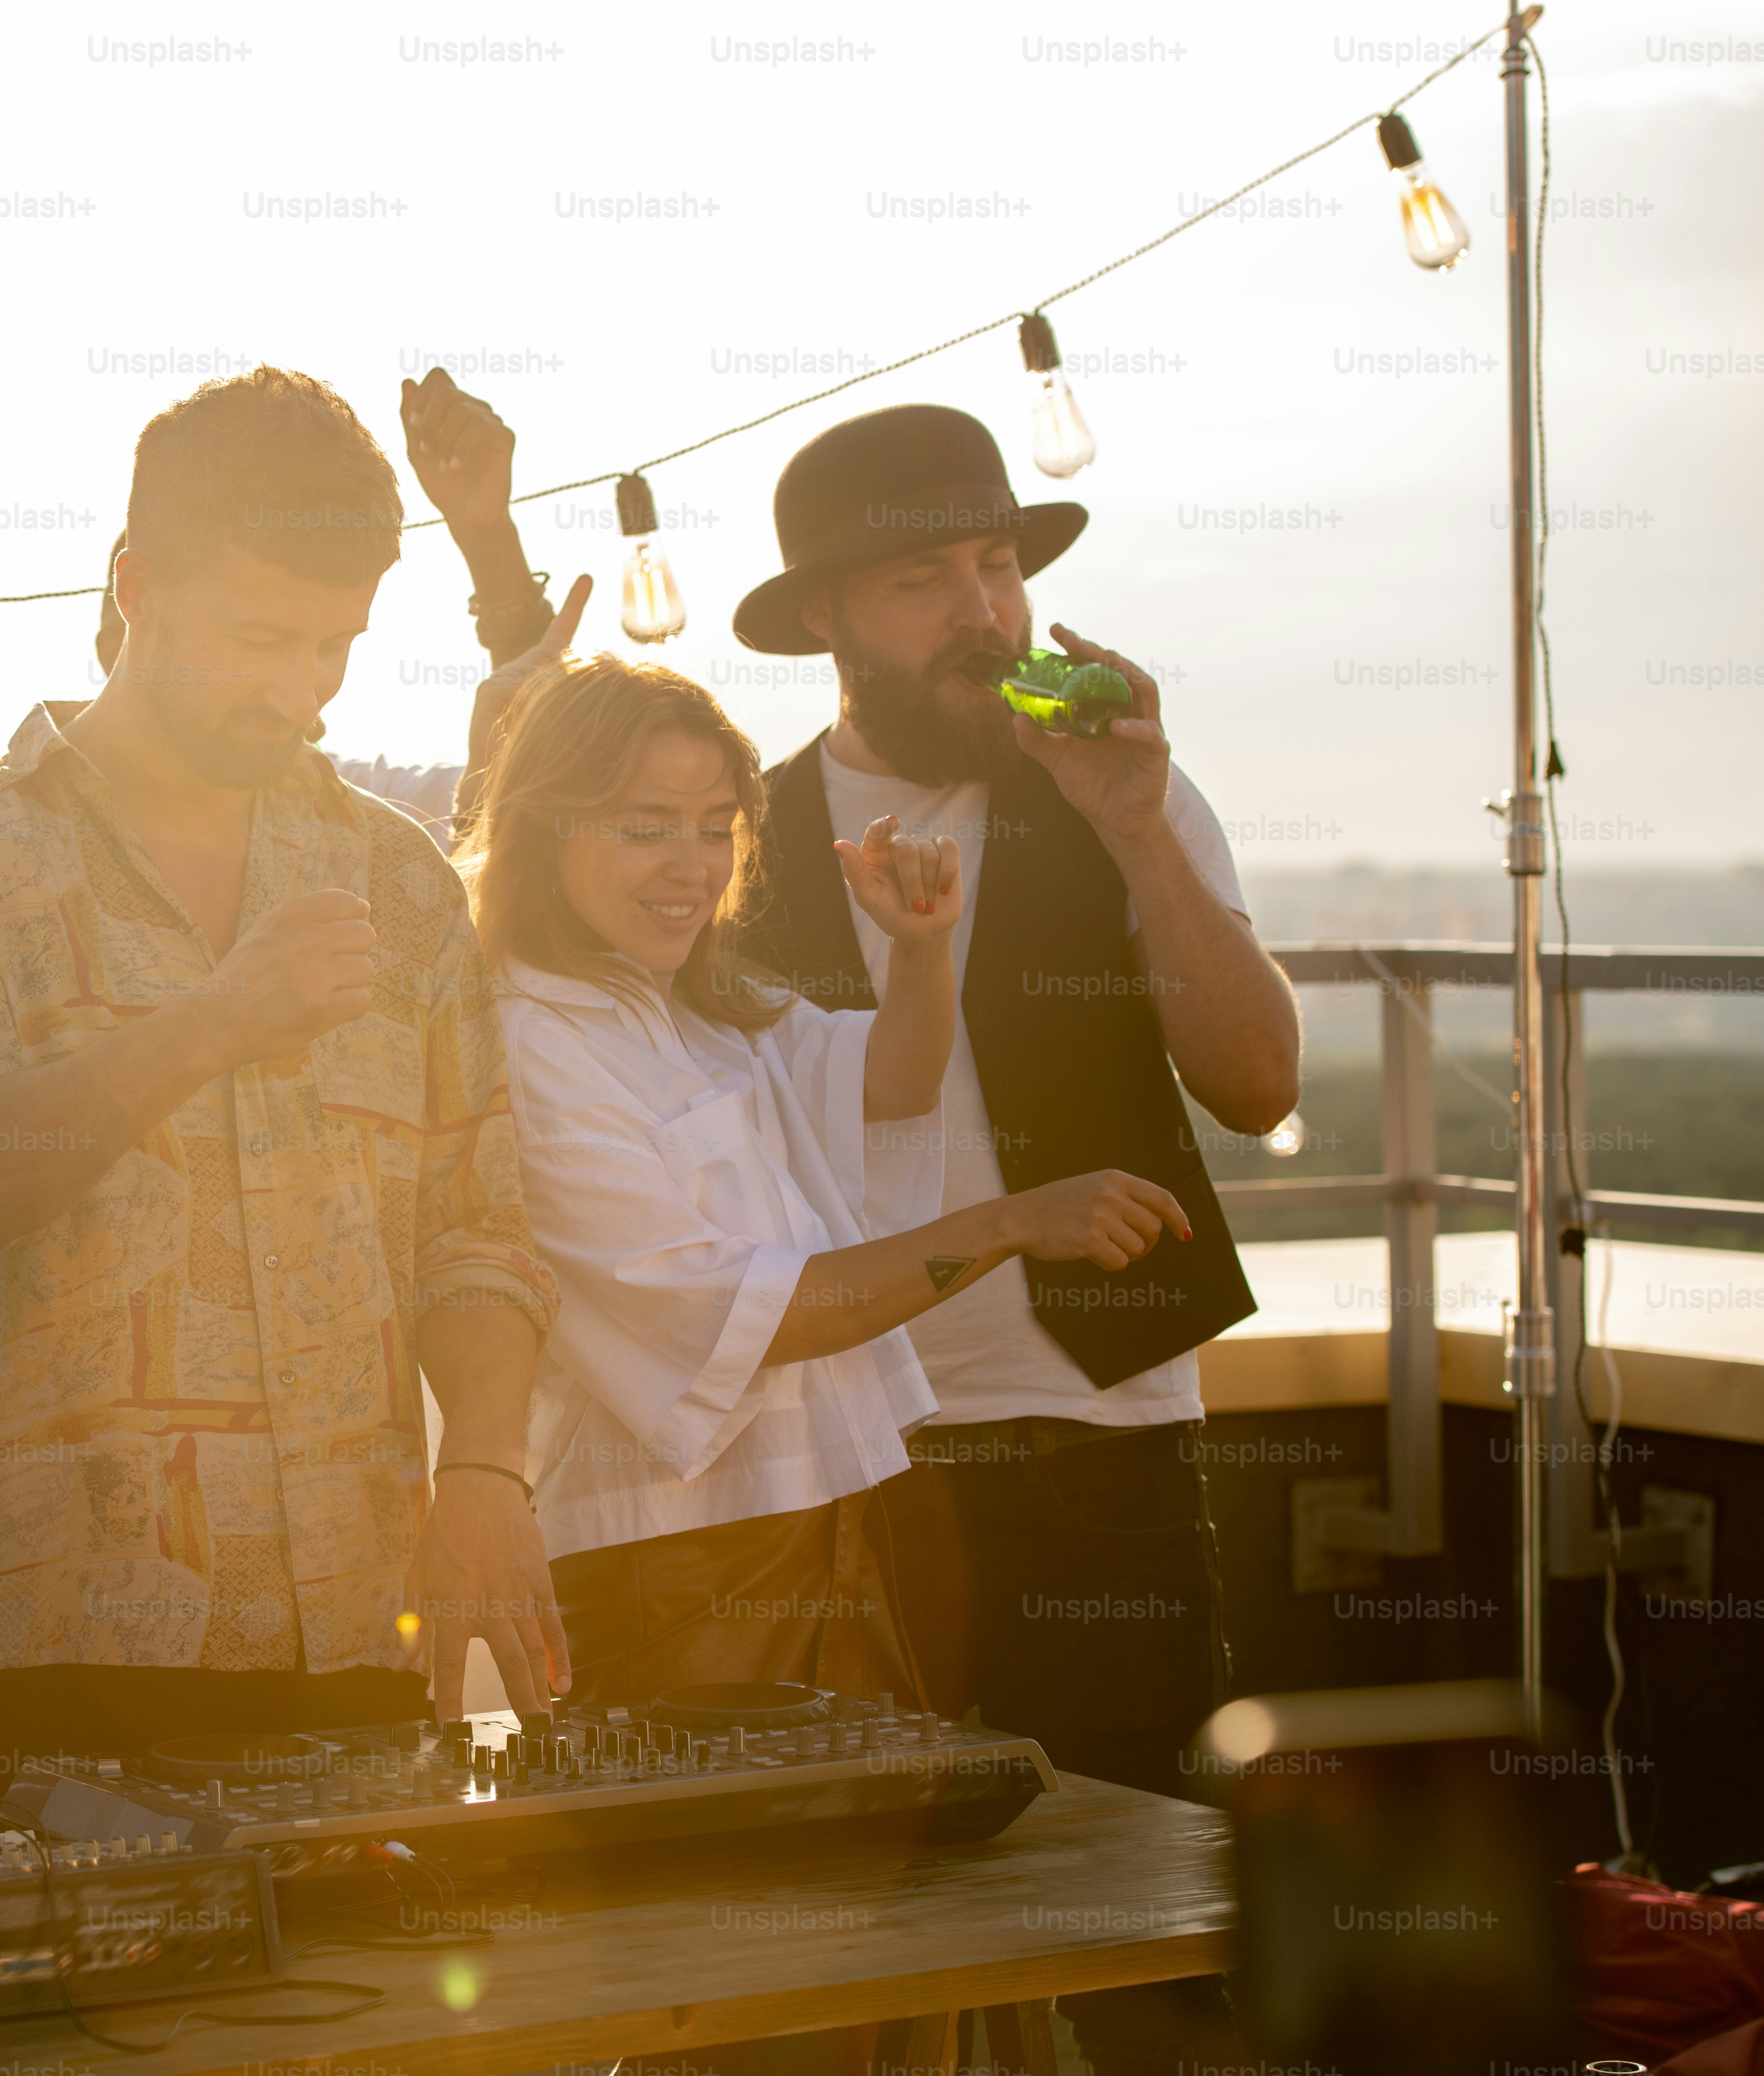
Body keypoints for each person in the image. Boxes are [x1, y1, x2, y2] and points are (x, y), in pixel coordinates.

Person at [0, 365, 562, 1821]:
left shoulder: (398, 879)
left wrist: (487, 1468)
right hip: (63, 1661)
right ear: (133, 584)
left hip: (363, 1632)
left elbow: (478, 1228)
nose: (297, 688)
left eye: (334, 644)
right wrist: (213, 1019)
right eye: (259, 637)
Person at [729, 401, 1298, 2075]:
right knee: (850, 1966)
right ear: (827, 618)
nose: (986, 613)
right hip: (836, 1458)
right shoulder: (735, 835)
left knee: (1153, 1955)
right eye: (925, 580)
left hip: (1101, 1431)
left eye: (999, 567)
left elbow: (1259, 1082)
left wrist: (1133, 824)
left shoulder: (1127, 788)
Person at [461, 654, 1192, 1713]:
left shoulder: (700, 1006)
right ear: (543, 827)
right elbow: (760, 1317)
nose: (691, 866)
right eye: (644, 825)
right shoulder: (533, 1048)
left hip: (829, 1528)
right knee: (724, 1873)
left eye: (716, 827)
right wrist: (1013, 1222)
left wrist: (922, 951)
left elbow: (892, 1083)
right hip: (671, 1570)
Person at [86, 368, 585, 854]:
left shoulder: (385, 853)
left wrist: (487, 538)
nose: (304, 706)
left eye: (335, 645)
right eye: (259, 641)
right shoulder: (10, 844)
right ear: (136, 597)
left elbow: (532, 810)